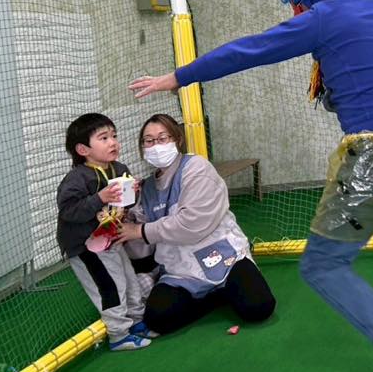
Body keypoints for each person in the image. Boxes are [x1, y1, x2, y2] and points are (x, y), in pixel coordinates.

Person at [130, 0, 373, 372]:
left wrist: (177, 77)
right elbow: (362, 62)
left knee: (322, 265)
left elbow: (247, 51)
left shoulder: (323, 19)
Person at [115, 114, 276, 335]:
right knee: (157, 319)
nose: (156, 146)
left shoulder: (197, 168)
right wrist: (123, 218)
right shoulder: (146, 189)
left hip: (225, 258)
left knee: (259, 307)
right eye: (149, 141)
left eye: (162, 138)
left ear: (177, 139)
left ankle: (225, 286)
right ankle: (216, 297)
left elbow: (191, 225)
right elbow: (142, 248)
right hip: (181, 271)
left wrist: (139, 230)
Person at [56, 113, 153, 351]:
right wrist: (99, 198)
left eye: (114, 136)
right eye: (104, 138)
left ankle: (136, 321)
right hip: (86, 246)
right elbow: (68, 210)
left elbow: (125, 205)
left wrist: (134, 192)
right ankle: (119, 334)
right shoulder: (77, 178)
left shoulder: (119, 169)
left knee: (129, 279)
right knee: (110, 286)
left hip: (111, 239)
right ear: (83, 150)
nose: (113, 142)